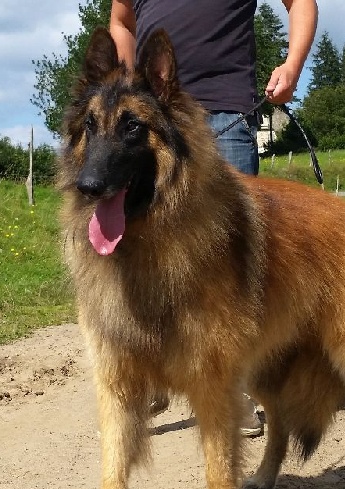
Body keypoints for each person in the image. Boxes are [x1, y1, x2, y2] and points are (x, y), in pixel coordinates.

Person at [111, 0, 318, 436]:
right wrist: (126, 86)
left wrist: (292, 65)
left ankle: (234, 387)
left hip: (226, 114)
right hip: (153, 117)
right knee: (145, 254)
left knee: (228, 268)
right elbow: (121, 20)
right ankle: (152, 375)